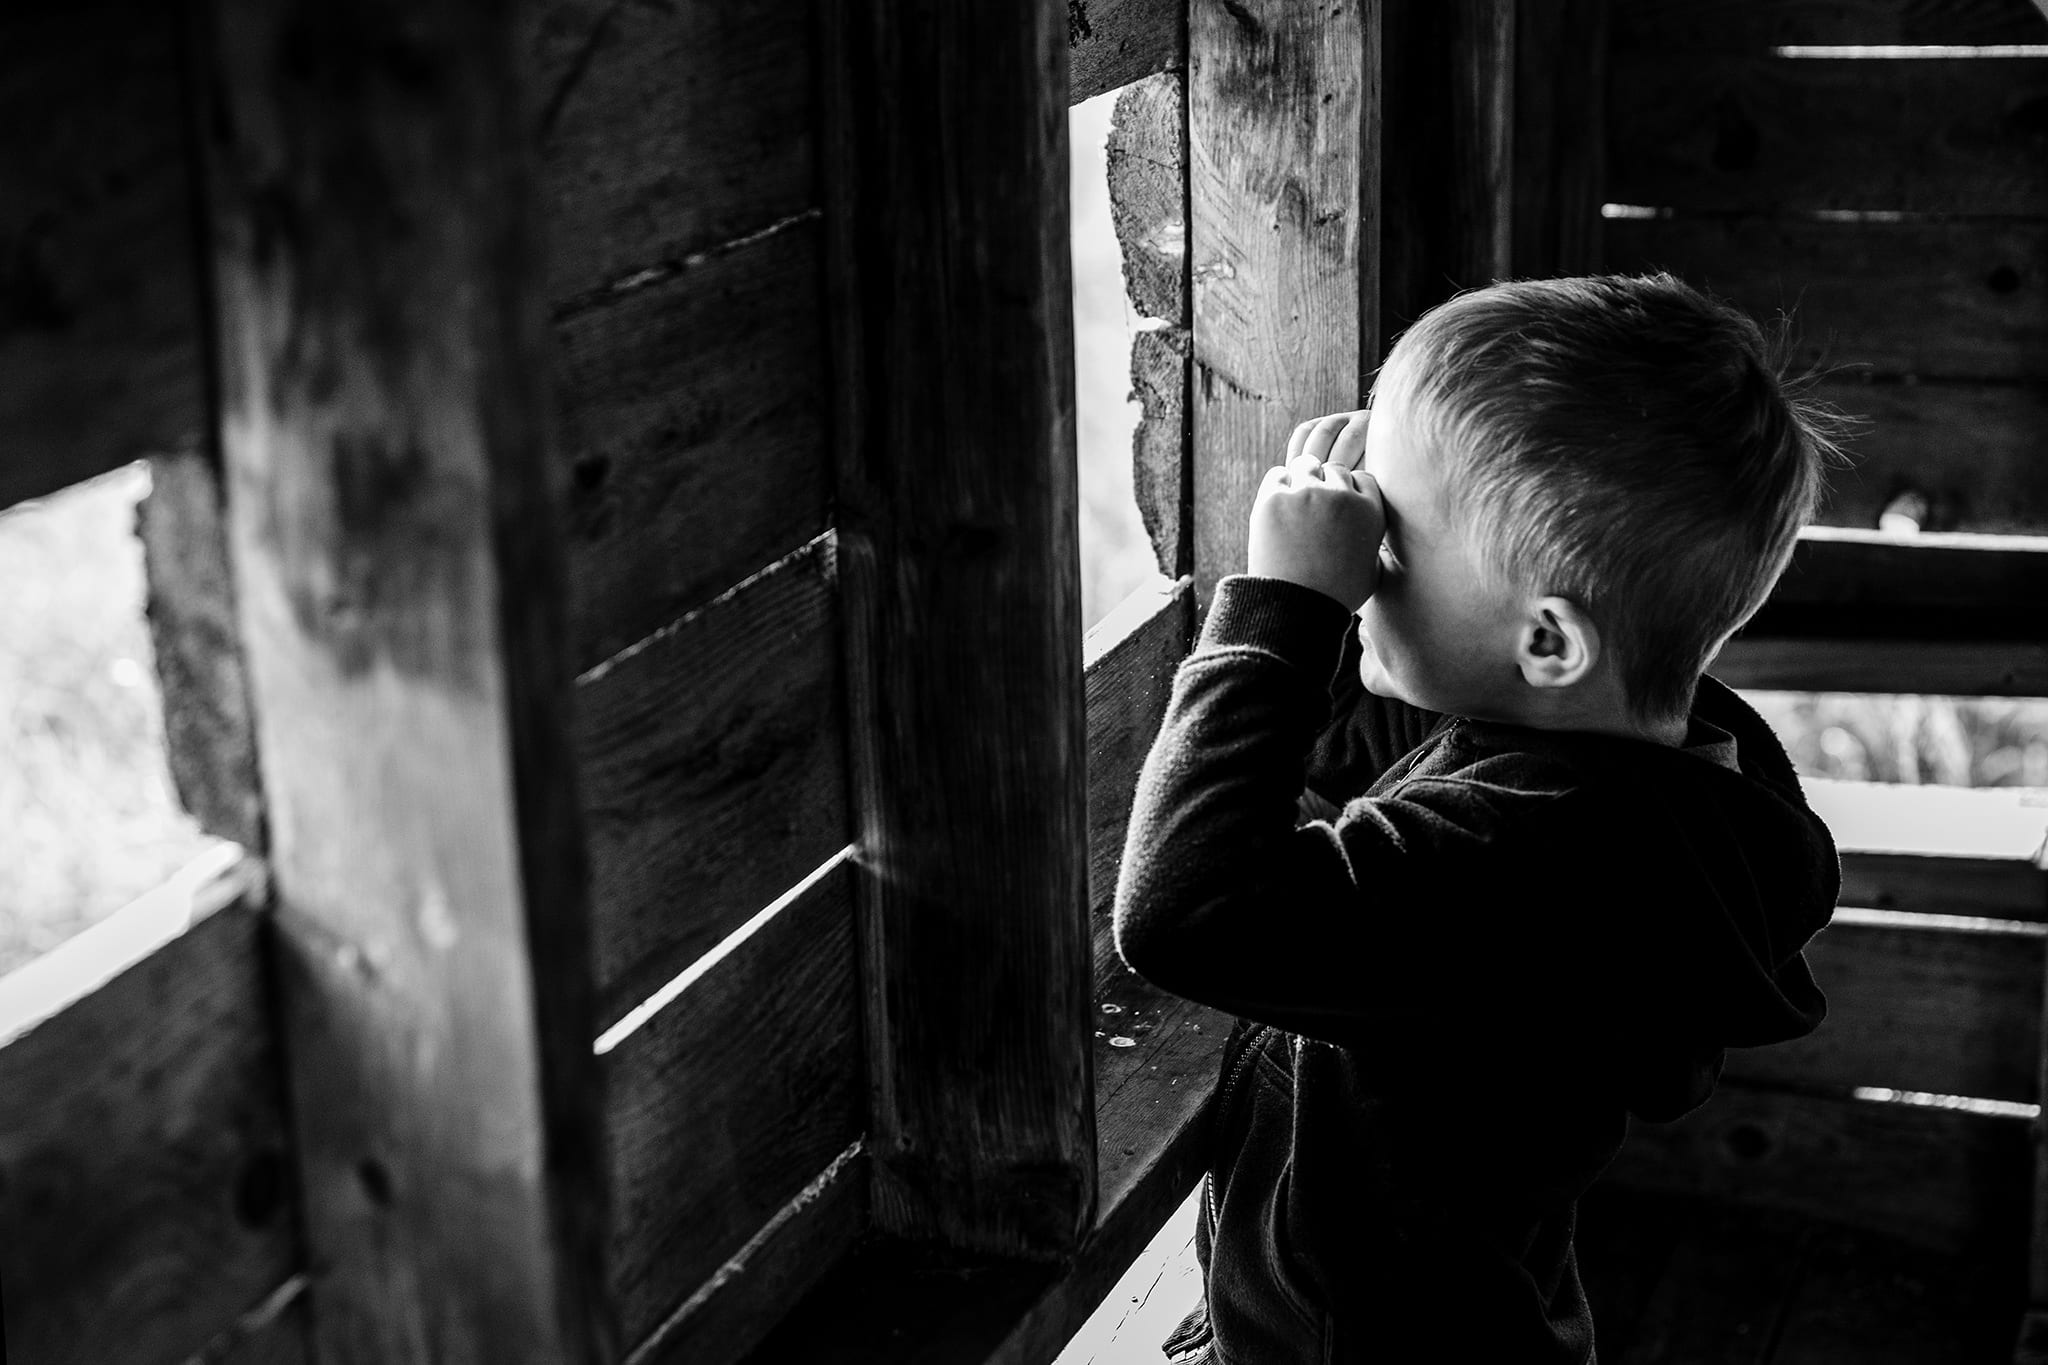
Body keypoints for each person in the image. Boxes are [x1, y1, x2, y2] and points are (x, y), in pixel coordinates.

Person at [1113, 274, 1844, 1363]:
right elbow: (1350, 745)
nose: (1365, 559)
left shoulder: (1540, 856)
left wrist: (1285, 607)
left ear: (1547, 643)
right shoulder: (1635, 767)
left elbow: (1187, 909)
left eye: (1393, 543)